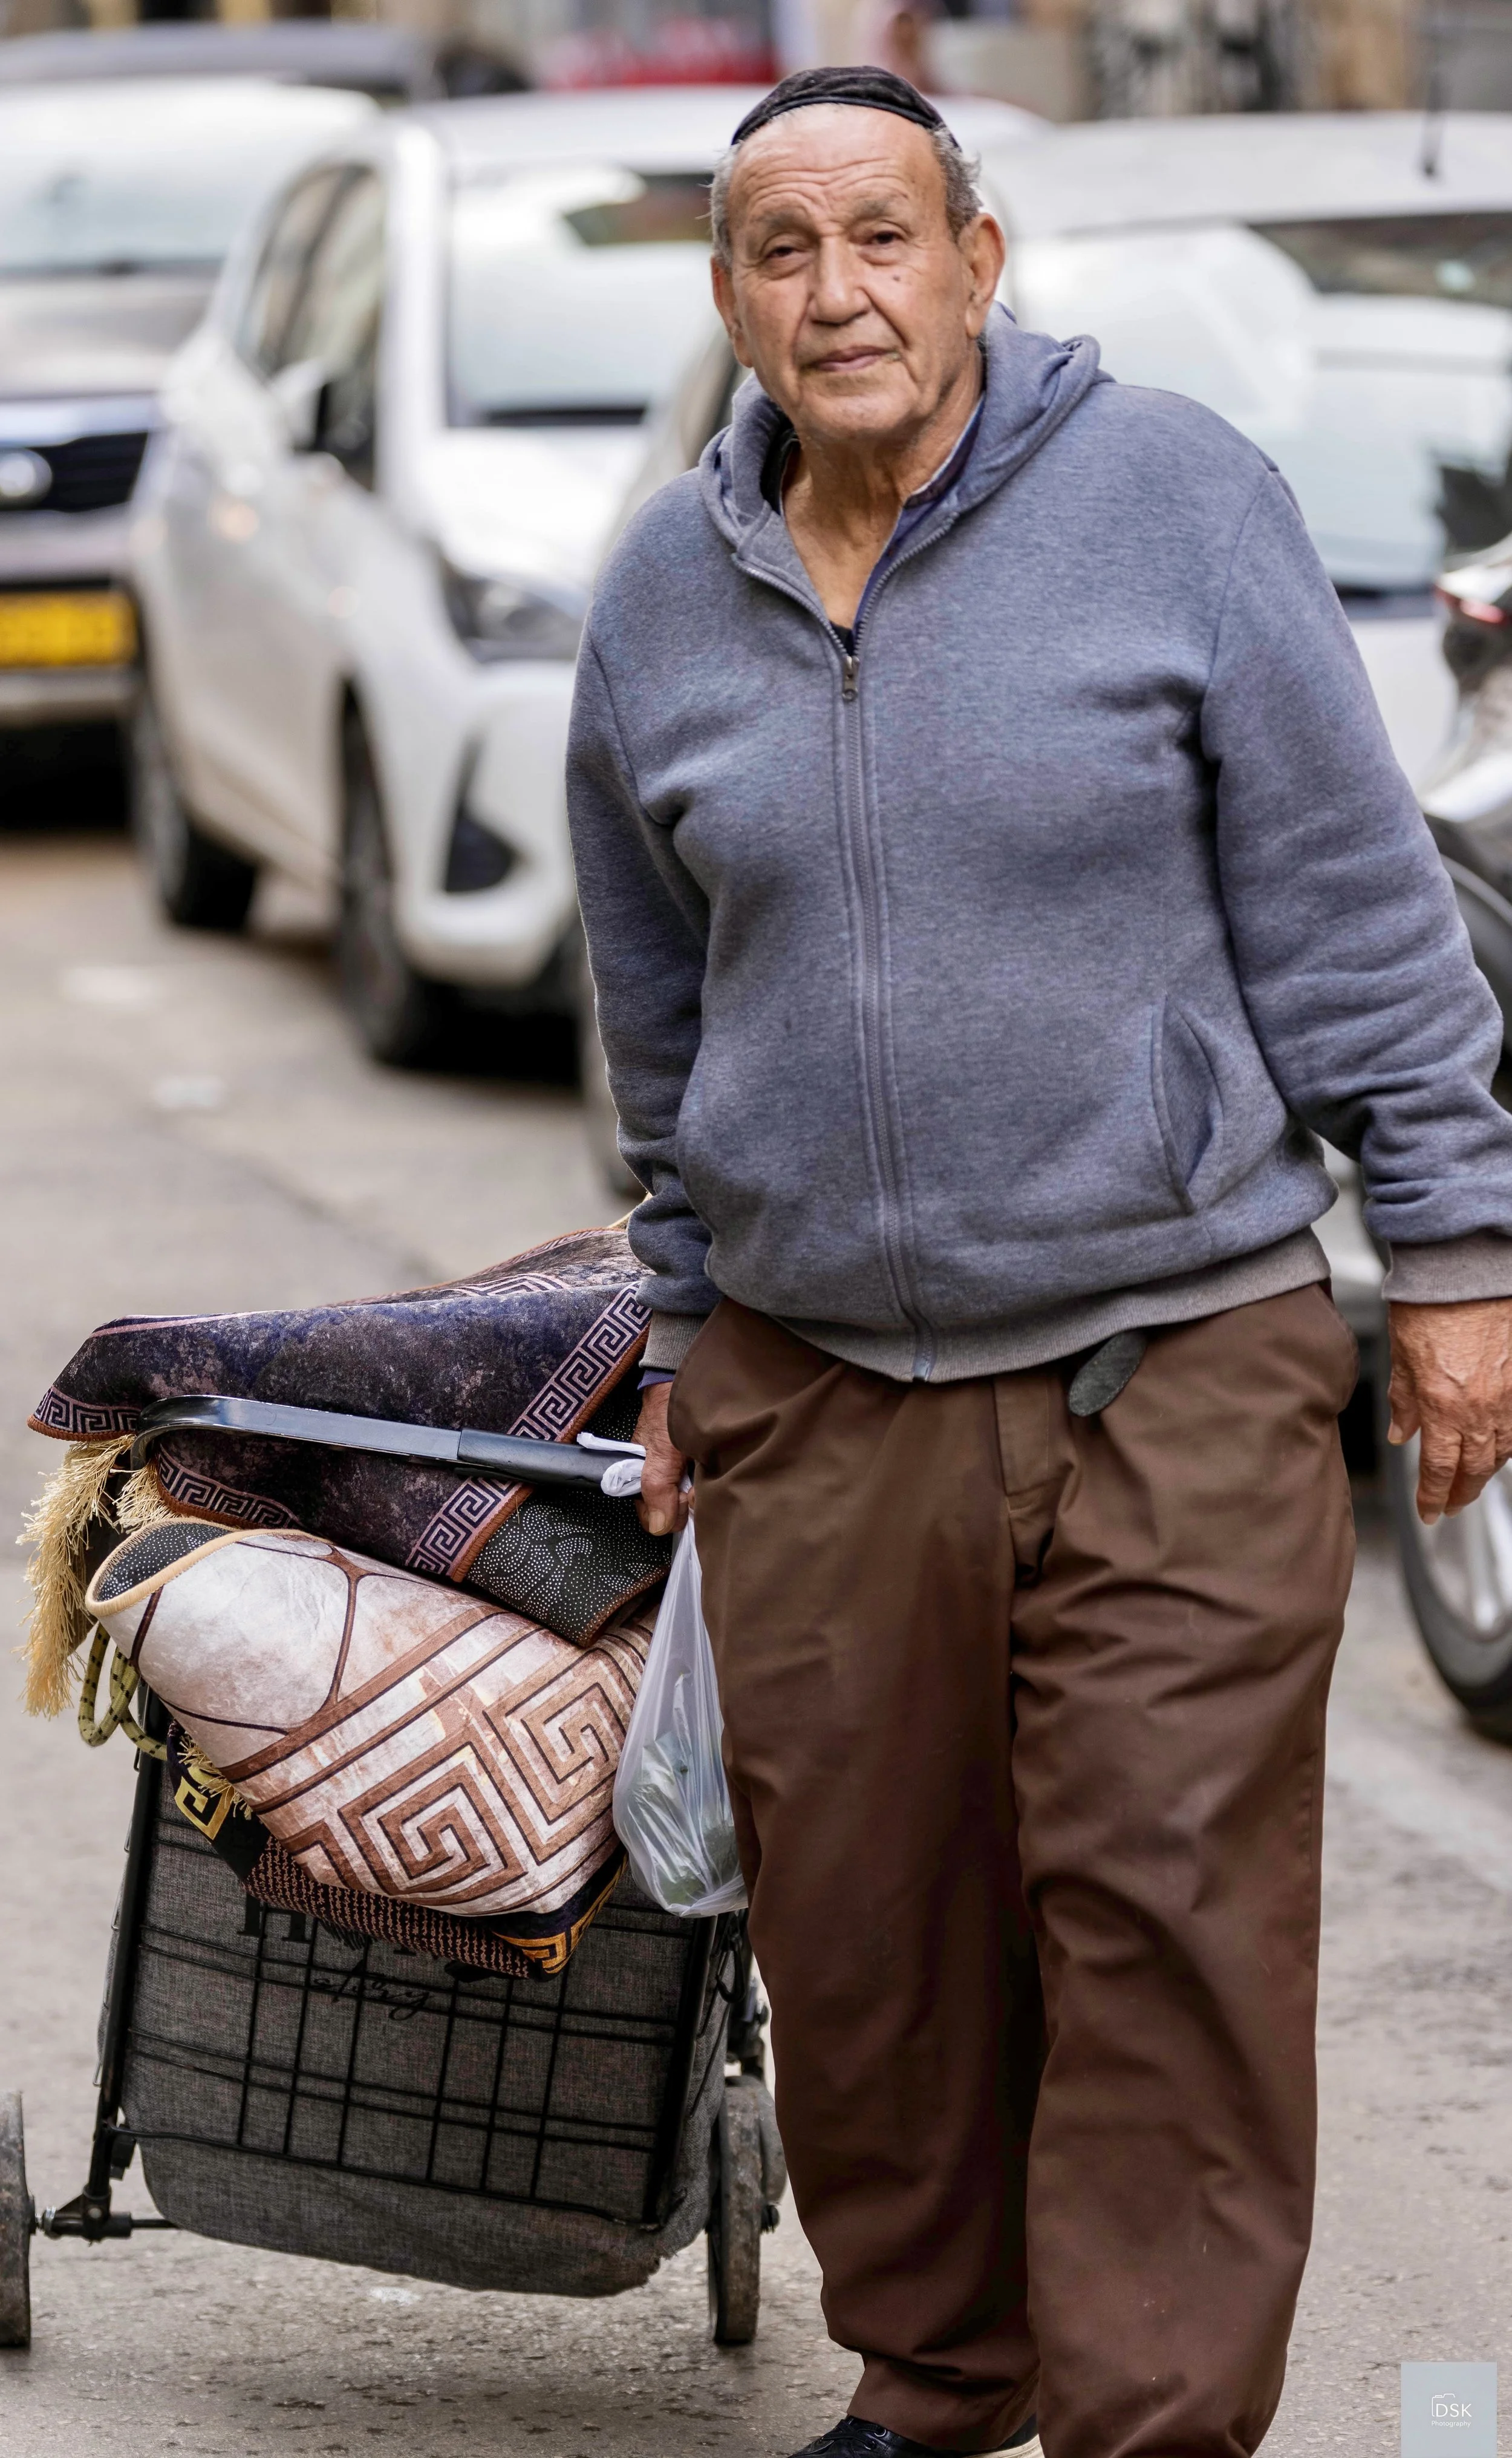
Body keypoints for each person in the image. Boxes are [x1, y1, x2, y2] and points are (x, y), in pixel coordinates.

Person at [566, 67, 1512, 2458]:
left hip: (1166, 1348)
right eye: (781, 251)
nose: (836, 291)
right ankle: (943, 2372)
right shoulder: (665, 597)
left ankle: (1144, 2422)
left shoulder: (1177, 504)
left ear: (977, 261)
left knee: (1165, 1910)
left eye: (881, 237)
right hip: (813, 1376)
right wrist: (683, 1323)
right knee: (872, 1932)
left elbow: (1358, 916)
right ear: (728, 300)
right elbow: (656, 1015)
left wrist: (1458, 1251)